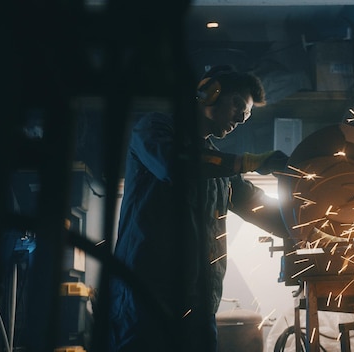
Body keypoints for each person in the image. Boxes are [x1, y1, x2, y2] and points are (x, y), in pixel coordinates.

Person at [108, 65, 291, 352]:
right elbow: (176, 165)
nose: (242, 119)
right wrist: (251, 162)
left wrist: (317, 222)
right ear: (210, 92)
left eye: (246, 115)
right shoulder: (154, 130)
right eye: (238, 106)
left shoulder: (221, 169)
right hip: (144, 303)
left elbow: (261, 209)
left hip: (197, 309)